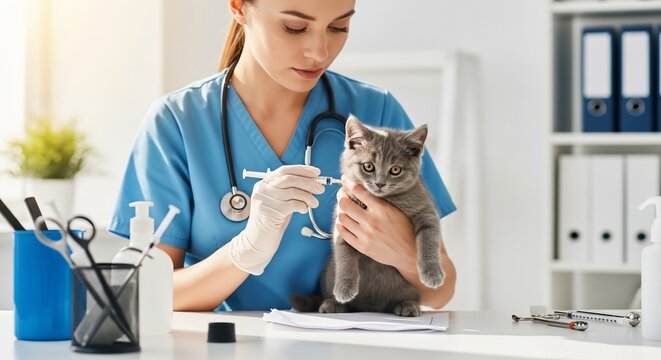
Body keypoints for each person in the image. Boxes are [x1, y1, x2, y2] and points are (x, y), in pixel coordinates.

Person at [109, 0, 457, 312]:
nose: (319, 51)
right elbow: (147, 293)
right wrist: (245, 250)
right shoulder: (177, 122)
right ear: (239, 7)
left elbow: (440, 293)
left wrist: (401, 252)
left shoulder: (376, 114)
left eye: (339, 27)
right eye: (295, 27)